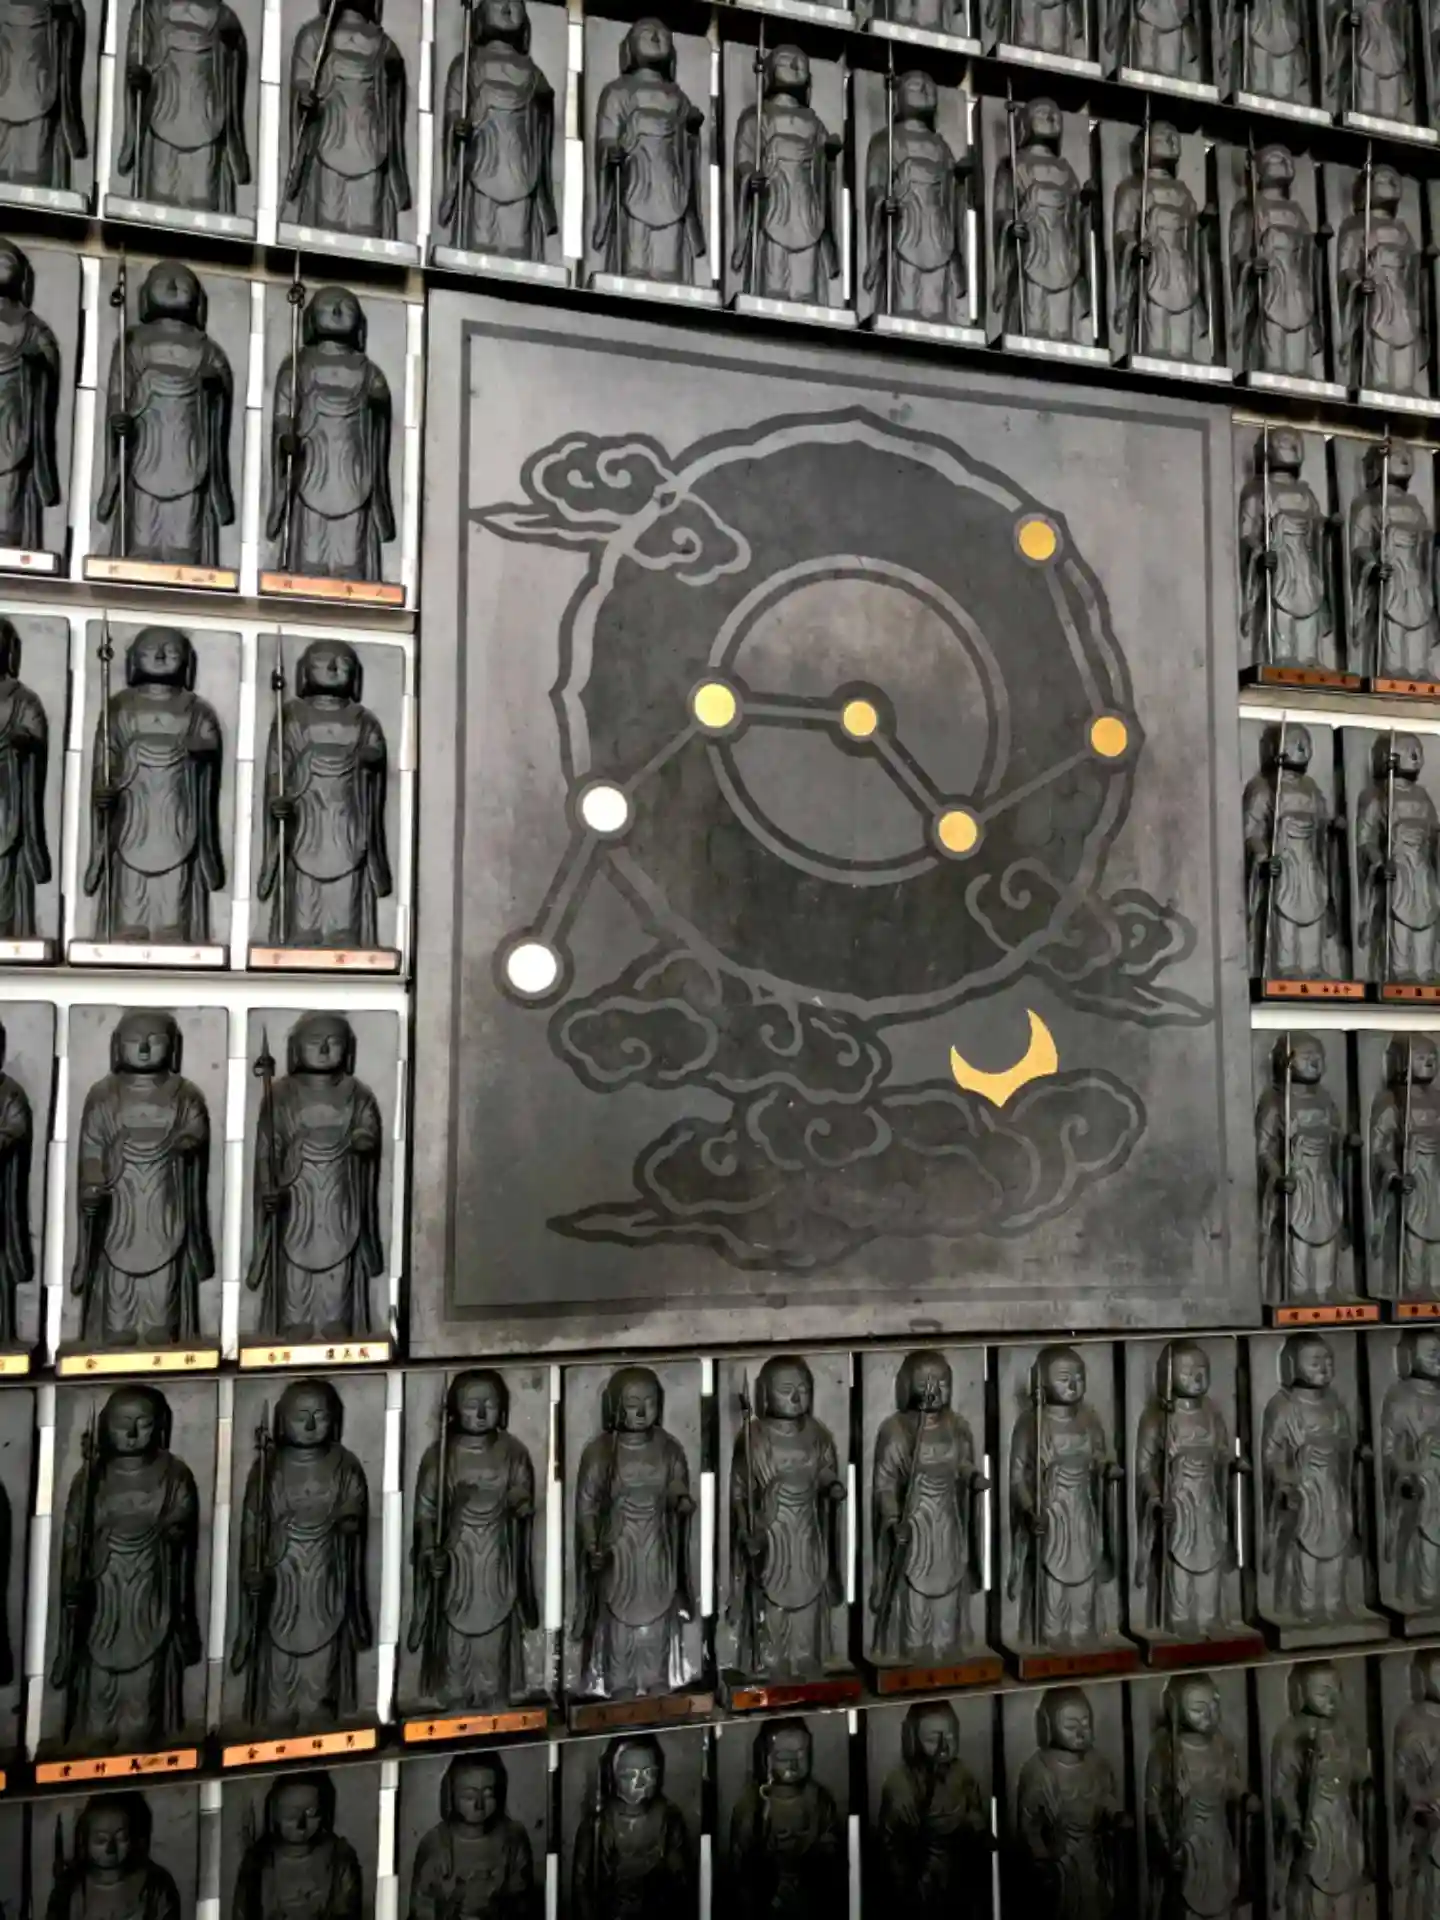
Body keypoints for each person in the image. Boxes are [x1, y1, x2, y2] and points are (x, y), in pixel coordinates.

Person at [51, 1384, 200, 1751]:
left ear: (159, 1426)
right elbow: (73, 1538)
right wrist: (74, 1576)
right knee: (98, 1690)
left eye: (143, 1423)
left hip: (152, 1590)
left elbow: (182, 1523)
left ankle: (143, 1738)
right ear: (105, 1427)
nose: (132, 1433)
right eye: (122, 1424)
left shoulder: (174, 1474)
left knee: (144, 1694)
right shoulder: (90, 1478)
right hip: (104, 1594)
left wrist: (172, 1533)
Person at [230, 1378, 372, 1731]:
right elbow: (252, 1526)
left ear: (334, 1420)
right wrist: (253, 1567)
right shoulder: (268, 1468)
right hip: (282, 1576)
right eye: (300, 1416)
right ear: (282, 1420)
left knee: (324, 1654)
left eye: (319, 1416)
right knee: (279, 1659)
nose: (309, 1425)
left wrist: (347, 1524)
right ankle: (278, 1709)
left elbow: (354, 1507)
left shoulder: (345, 1464)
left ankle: (321, 1705)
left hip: (327, 1573)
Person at [70, 1010, 214, 1348]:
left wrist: (187, 1142)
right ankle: (118, 1322)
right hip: (120, 1197)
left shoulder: (185, 1094)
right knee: (116, 1262)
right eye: (135, 1041)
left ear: (173, 1048)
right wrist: (92, 1180)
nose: (145, 1049)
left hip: (166, 1193)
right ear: (117, 1046)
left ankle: (161, 1321)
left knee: (166, 1259)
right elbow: (91, 1147)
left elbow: (196, 1129)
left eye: (155, 1040)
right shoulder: (104, 1095)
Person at [83, 626, 224, 946]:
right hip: (133, 805)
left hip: (178, 803)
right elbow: (106, 756)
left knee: (178, 866)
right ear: (134, 659)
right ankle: (129, 923)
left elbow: (210, 746)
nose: (160, 656)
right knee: (129, 870)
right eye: (150, 650)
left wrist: (196, 749)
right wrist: (104, 788)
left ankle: (174, 925)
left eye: (171, 651)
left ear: (187, 662)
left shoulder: (196, 710)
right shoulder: (120, 707)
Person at [246, 1013, 384, 1340]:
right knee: (293, 1258)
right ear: (296, 1049)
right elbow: (268, 1148)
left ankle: (337, 1317)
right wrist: (268, 1185)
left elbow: (368, 1129)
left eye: (333, 1043)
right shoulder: (281, 1095)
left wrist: (363, 1140)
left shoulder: (357, 1094)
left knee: (342, 1254)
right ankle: (296, 1317)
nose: (323, 1050)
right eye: (314, 1042)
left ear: (348, 1050)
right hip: (297, 1190)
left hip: (341, 1189)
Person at [409, 1369, 538, 1710]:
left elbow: (522, 1491)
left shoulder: (513, 1452)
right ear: (454, 1408)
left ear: (503, 1408)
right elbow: (425, 1514)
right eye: (471, 1405)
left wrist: (520, 1504)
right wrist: (430, 1550)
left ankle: (494, 1692)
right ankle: (455, 1694)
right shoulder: (439, 1456)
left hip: (497, 1556)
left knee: (496, 1634)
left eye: (489, 1404)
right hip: (456, 1560)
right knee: (454, 1637)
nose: (481, 1413)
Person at [94, 261, 235, 569]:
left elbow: (223, 385)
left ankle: (185, 559)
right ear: (146, 295)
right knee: (143, 521)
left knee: (186, 528)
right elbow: (119, 392)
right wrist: (119, 416)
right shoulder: (132, 343)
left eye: (183, 283)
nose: (172, 286)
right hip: (146, 444)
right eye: (163, 281)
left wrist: (213, 385)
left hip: (189, 447)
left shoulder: (207, 349)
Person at [257, 638, 391, 951]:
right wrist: (278, 798)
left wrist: (367, 759)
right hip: (306, 814)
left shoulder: (363, 720)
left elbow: (376, 754)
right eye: (322, 661)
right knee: (304, 883)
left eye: (342, 663)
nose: (332, 668)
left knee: (348, 878)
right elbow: (277, 766)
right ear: (305, 671)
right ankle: (304, 930)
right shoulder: (291, 716)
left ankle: (344, 931)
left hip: (347, 815)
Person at [571, 1364, 694, 1699]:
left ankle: (657, 1675)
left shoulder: (669, 1448)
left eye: (649, 1402)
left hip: (656, 1542)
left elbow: (677, 1484)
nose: (641, 1411)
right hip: (618, 1546)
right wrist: (592, 1544)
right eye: (631, 1403)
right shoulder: (600, 1452)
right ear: (615, 1406)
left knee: (659, 1611)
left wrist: (681, 1500)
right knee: (617, 1617)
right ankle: (618, 1679)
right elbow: (587, 1505)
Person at [728, 1354, 845, 1679]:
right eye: (785, 1390)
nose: (796, 1398)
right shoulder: (753, 1437)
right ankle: (770, 1658)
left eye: (803, 1389)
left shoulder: (818, 1435)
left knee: (809, 1595)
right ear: (765, 1393)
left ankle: (806, 1656)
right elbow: (739, 1492)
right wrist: (746, 1528)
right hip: (771, 1530)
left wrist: (832, 1485)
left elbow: (825, 1470)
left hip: (807, 1529)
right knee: (769, 1597)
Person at [266, 287, 394, 582]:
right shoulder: (298, 367)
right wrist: (286, 436)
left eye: (346, 307)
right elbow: (283, 414)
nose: (337, 310)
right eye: (328, 306)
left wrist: (378, 402)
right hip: (311, 468)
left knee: (351, 552)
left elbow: (381, 409)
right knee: (311, 549)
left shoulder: (368, 371)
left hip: (353, 472)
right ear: (311, 318)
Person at [870, 1348, 985, 1663]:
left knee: (949, 1587)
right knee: (914, 1593)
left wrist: (973, 1477)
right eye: (924, 1382)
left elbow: (962, 1464)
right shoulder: (896, 1430)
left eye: (942, 1382)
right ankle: (914, 1648)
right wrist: (893, 1519)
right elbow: (885, 1483)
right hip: (915, 1523)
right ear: (908, 1385)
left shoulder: (957, 1427)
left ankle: (947, 1645)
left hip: (947, 1522)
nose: (934, 1389)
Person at [1260, 1334, 1366, 1628]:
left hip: (1333, 1489)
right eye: (1315, 1361)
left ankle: (1334, 1602)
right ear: (1293, 1365)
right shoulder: (1283, 1407)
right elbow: (1271, 1455)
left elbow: (1345, 1445)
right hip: (1304, 1490)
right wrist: (1286, 1483)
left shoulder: (1335, 1405)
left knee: (1338, 1545)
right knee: (1304, 1550)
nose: (1324, 1367)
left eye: (1328, 1360)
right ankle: (1306, 1605)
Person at [437, 0, 555, 260]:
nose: (507, 8)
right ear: (480, 16)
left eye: (515, 3)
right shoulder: (467, 64)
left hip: (520, 164)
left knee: (518, 242)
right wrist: (458, 125)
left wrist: (543, 102)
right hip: (481, 158)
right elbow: (454, 109)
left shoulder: (533, 73)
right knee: (481, 236)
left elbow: (543, 114)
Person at [591, 19, 704, 286]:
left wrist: (691, 131)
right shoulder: (617, 92)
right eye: (647, 33)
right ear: (629, 47)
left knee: (669, 261)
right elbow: (607, 137)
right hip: (635, 180)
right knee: (635, 258)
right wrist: (611, 151)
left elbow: (687, 145)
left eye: (663, 34)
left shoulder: (678, 98)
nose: (655, 37)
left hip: (670, 184)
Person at [115, 0, 249, 214]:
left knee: (203, 203)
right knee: (157, 203)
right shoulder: (149, 10)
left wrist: (230, 52)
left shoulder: (223, 17)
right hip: (161, 114)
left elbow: (234, 63)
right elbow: (136, 58)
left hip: (207, 121)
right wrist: (139, 77)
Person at [1144, 1673, 1252, 1920]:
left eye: (1213, 1705)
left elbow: (1232, 1782)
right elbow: (1153, 1805)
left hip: (1219, 1835)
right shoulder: (1166, 1752)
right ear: (1177, 1710)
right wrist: (1167, 1843)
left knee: (1225, 1897)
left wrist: (1244, 1796)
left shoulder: (1222, 1746)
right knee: (1187, 1902)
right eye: (1198, 1709)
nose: (1208, 1715)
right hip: (1187, 1839)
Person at [1014, 1687, 1128, 1920]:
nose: (1080, 1732)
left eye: (1085, 1723)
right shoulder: (1038, 1770)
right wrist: (1041, 1856)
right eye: (1070, 1725)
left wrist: (1117, 1815)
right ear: (1048, 1726)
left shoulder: (1098, 1763)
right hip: (1060, 1861)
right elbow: (1029, 1825)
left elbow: (1106, 1799)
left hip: (1093, 1856)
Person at [1270, 1662, 1372, 1920]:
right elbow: (1283, 1789)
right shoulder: (1291, 1734)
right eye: (1322, 1692)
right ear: (1302, 1693)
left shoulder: (1346, 1731)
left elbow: (1361, 1773)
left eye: (1336, 1690)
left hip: (1343, 1824)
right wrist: (1295, 1824)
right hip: (1313, 1825)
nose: (1331, 1699)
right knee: (1312, 1899)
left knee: (1347, 1897)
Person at [873, 1700, 989, 1913]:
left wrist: (976, 1825)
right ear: (912, 1739)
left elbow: (976, 1818)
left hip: (958, 1869)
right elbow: (890, 1844)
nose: (943, 1747)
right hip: (920, 1871)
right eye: (933, 1739)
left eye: (950, 1737)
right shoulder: (901, 1783)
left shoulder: (963, 1775)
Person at [729, 1718, 844, 1919]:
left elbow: (832, 1853)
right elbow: (740, 1863)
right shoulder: (754, 1804)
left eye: (801, 1754)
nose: (793, 1763)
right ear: (766, 1757)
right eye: (784, 1756)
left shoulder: (819, 1800)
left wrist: (809, 1870)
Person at [573, 1733, 692, 1920]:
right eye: (630, 1775)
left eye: (649, 1773)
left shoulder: (669, 1818)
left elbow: (681, 1881)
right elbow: (582, 1886)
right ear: (612, 1777)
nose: (641, 1783)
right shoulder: (598, 1824)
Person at [408, 1754, 537, 1920]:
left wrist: (494, 1904)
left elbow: (524, 1904)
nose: (479, 1805)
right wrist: (456, 1903)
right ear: (450, 1795)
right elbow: (420, 1910)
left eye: (488, 1794)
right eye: (469, 1796)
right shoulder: (435, 1844)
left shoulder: (513, 1838)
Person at [231, 1773, 362, 1920]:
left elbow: (348, 1913)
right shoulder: (257, 1860)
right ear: (274, 1813)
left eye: (311, 1813)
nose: (301, 1824)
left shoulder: (339, 1856)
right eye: (290, 1814)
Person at [0, 241, 61, 552]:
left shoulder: (31, 325)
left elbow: (48, 362)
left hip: (15, 415)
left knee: (10, 480)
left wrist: (33, 365)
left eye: (6, 261)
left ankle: (6, 532)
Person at [48, 1793, 181, 1920]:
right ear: (85, 1840)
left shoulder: (156, 1886)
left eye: (121, 1837)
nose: (110, 1849)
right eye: (101, 1840)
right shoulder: (69, 1889)